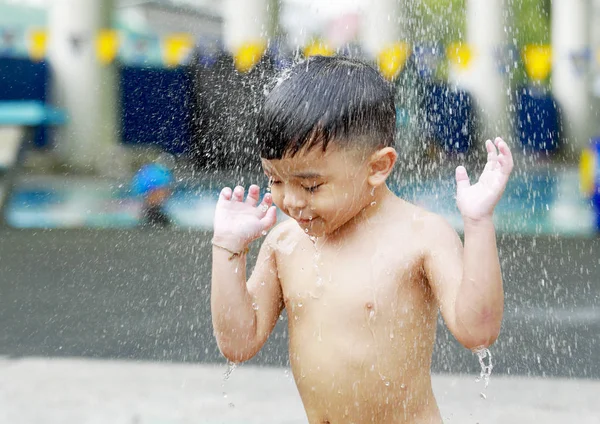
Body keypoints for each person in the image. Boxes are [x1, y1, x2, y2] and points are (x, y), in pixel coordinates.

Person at [211, 56, 513, 424]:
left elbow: (478, 330)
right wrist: (228, 248)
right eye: (275, 180)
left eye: (310, 185)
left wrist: (478, 223)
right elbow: (238, 342)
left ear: (377, 167)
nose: (290, 200)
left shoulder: (421, 236)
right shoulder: (285, 244)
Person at [132, 163, 173, 228]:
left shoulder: (141, 216)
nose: (168, 193)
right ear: (151, 192)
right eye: (162, 189)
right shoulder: (159, 218)